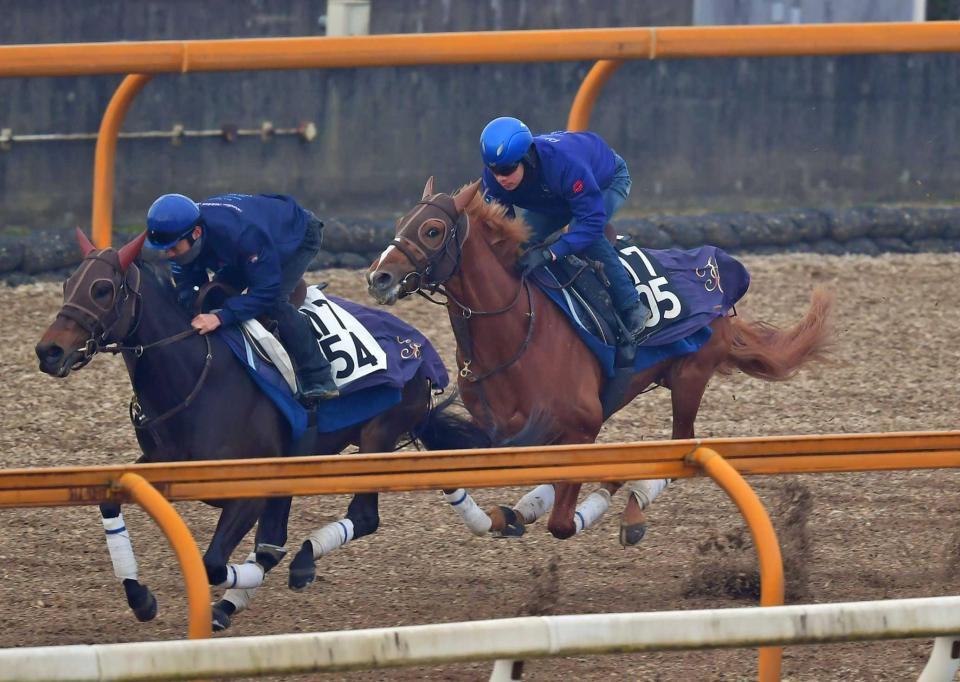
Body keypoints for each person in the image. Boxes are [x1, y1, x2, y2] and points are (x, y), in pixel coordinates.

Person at [144, 192, 339, 401]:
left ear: (196, 233)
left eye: (173, 248)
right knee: (214, 298)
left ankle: (319, 377)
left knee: (274, 303)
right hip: (246, 246)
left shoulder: (243, 235)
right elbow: (188, 286)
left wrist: (220, 317)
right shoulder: (188, 231)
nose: (169, 255)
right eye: (164, 250)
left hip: (295, 237)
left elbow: (265, 292)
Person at [479, 116, 652, 344]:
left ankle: (632, 305)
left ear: (528, 158)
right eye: (493, 170)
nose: (501, 178)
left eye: (507, 169)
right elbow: (505, 231)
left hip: (605, 182)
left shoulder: (566, 164)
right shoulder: (493, 179)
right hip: (555, 197)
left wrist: (550, 252)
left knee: (584, 235)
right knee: (521, 243)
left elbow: (590, 223)